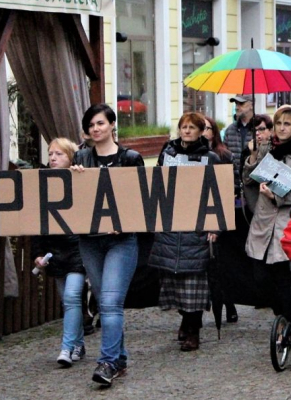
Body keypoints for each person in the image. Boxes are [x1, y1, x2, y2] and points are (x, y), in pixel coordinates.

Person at [72, 104, 144, 386]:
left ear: (112, 124)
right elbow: (72, 199)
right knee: (105, 303)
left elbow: (142, 200)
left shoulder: (131, 158)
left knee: (111, 301)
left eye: (100, 123)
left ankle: (108, 362)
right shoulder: (80, 157)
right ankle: (119, 359)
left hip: (121, 241)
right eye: (91, 125)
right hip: (90, 240)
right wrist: (73, 176)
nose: (95, 129)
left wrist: (125, 222)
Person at [148, 113, 221, 351]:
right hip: (171, 223)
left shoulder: (210, 157)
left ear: (201, 131)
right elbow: (157, 184)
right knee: (174, 279)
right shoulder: (167, 153)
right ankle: (185, 319)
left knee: (194, 281)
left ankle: (193, 329)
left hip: (197, 223)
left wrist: (215, 225)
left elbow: (218, 192)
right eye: (183, 127)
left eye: (192, 127)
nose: (187, 131)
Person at [243, 105, 291, 323]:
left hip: (284, 223)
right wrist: (253, 156)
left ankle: (289, 322)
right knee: (260, 278)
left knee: (282, 279)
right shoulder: (266, 148)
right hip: (262, 221)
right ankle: (282, 315)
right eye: (279, 123)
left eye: (287, 124)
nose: (282, 128)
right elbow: (247, 180)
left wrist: (275, 196)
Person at [32, 138, 87, 367]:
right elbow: (38, 221)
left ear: (71, 157)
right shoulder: (43, 184)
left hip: (77, 248)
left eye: (59, 154)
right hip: (54, 249)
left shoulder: (82, 179)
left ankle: (67, 347)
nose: (53, 158)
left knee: (72, 296)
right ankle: (78, 344)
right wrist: (38, 252)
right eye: (50, 153)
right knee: (68, 301)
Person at [203, 116, 239, 323]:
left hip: (219, 216)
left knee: (221, 266)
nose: (203, 132)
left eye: (207, 128)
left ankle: (228, 303)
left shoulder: (222, 155)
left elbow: (229, 187)